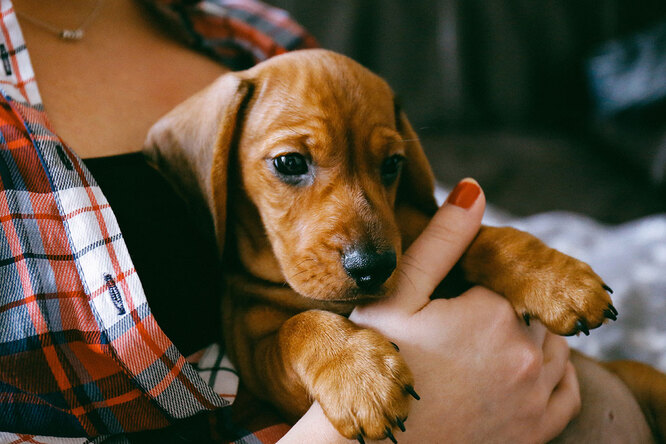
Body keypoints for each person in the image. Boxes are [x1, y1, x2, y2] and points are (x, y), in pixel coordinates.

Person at [0, 0, 579, 442]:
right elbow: (272, 349)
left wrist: (506, 253)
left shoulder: (257, 35)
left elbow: (430, 226)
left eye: (389, 163)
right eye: (293, 165)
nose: (364, 243)